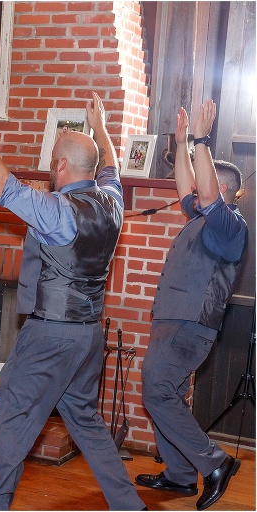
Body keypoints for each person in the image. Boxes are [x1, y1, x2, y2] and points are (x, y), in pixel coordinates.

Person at [0, 78, 146, 510]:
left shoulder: (58, 212)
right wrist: (102, 127)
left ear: (59, 167)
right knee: (86, 420)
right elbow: (111, 164)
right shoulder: (113, 200)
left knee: (14, 415)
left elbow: (5, 187)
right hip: (89, 335)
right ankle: (131, 506)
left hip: (51, 335)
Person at [135, 101, 247, 511]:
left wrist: (201, 139)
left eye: (208, 186)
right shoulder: (200, 215)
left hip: (190, 324)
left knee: (156, 389)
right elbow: (188, 191)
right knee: (167, 391)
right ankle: (181, 476)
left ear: (223, 191)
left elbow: (203, 192)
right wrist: (182, 142)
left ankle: (215, 463)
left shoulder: (229, 223)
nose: (197, 193)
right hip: (172, 321)